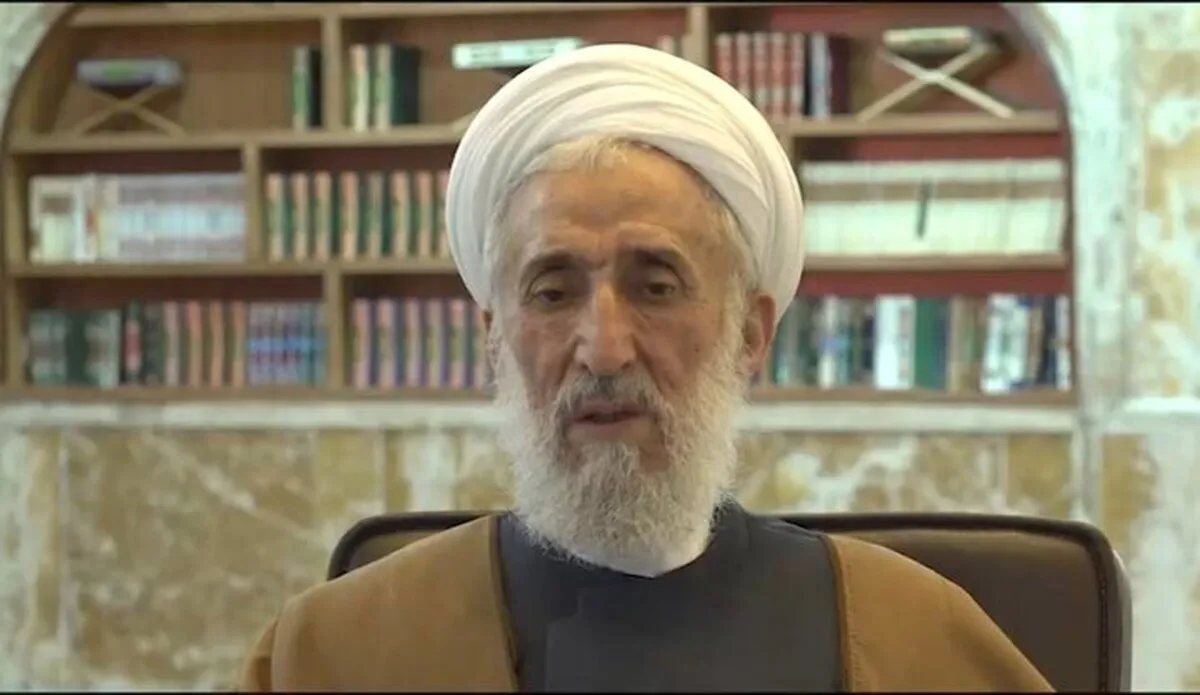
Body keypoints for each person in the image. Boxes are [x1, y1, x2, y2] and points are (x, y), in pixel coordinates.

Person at [234, 44, 1053, 692]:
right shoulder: (336, 651)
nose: (604, 349)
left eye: (655, 287)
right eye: (552, 292)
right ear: (495, 336)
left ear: (749, 332)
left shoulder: (912, 635)